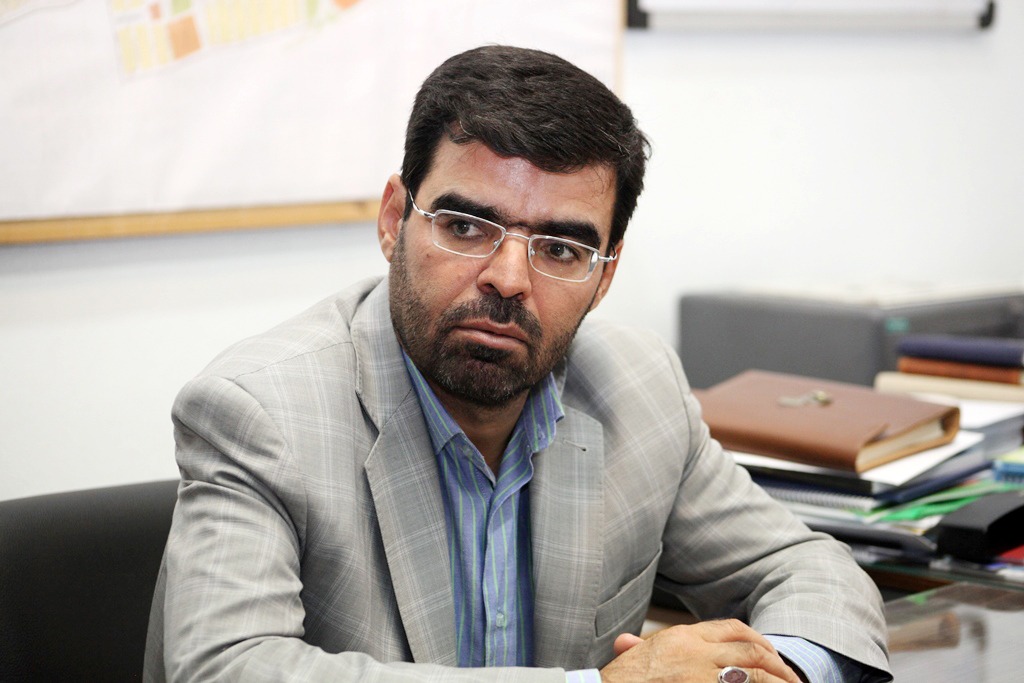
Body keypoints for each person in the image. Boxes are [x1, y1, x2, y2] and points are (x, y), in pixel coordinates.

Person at [145, 45, 891, 683]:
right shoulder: (261, 412)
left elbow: (809, 569)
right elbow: (226, 666)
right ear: (394, 220)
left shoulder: (638, 386)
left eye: (560, 248)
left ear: (605, 274)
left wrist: (765, 673)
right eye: (467, 227)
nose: (507, 278)